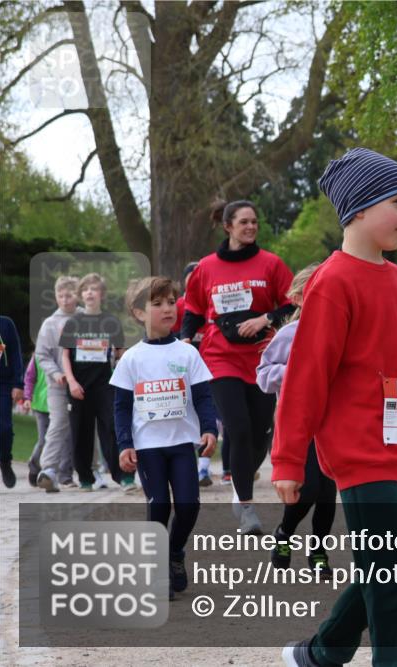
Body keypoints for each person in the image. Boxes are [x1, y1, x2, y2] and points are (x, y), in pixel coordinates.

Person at [271, 147, 397, 667]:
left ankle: (323, 652)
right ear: (358, 208)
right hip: (360, 458)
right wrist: (288, 460)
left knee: (389, 569)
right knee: (394, 579)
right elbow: (305, 378)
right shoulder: (332, 282)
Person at [180, 200, 294, 534]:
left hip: (262, 358)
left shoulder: (271, 264)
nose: (251, 227)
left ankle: (240, 478)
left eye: (254, 222)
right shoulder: (206, 267)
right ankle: (246, 507)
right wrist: (185, 340)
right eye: (244, 222)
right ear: (228, 226)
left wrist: (265, 318)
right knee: (239, 428)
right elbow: (194, 310)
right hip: (221, 356)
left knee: (260, 434)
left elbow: (292, 303)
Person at [112, 276, 217, 599]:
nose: (168, 308)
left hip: (182, 443)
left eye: (171, 302)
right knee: (158, 505)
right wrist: (125, 444)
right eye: (157, 304)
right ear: (138, 313)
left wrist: (209, 428)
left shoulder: (187, 353)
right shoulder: (131, 358)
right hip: (148, 448)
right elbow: (121, 406)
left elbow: (203, 396)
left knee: (188, 506)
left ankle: (174, 551)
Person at [256, 262, 336, 577]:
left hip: (333, 424)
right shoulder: (290, 333)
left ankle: (319, 550)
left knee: (328, 494)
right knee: (309, 489)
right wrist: (296, 372)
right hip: (300, 425)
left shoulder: (340, 330)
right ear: (298, 298)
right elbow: (263, 375)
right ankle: (284, 533)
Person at [58, 273, 134, 492]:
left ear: (102, 294)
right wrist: (71, 382)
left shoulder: (111, 322)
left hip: (105, 385)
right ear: (81, 295)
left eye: (94, 289)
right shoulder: (73, 322)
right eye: (85, 289)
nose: (89, 293)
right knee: (80, 432)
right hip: (78, 386)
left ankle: (124, 476)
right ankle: (85, 478)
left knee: (112, 426)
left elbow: (121, 353)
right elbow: (65, 355)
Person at [173, 260, 221, 487]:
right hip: (182, 373)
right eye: (192, 277)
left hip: (210, 370)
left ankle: (203, 468)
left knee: (209, 417)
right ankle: (185, 467)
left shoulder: (214, 301)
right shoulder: (178, 306)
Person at [35, 276, 81, 492]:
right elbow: (42, 355)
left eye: (69, 295)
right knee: (58, 423)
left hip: (84, 383)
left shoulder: (87, 318)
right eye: (60, 296)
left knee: (84, 427)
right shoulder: (49, 324)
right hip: (58, 385)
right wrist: (55, 373)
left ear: (77, 295)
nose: (64, 300)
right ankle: (49, 470)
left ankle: (87, 471)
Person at [0, 315, 25, 488]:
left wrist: (18, 383)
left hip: (3, 384)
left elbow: (16, 354)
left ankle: (4, 460)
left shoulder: (5, 324)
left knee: (4, 428)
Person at [24, 355, 50, 486]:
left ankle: (51, 471)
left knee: (59, 441)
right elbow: (29, 377)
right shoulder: (37, 357)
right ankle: (34, 466)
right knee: (43, 439)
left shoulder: (64, 354)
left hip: (60, 404)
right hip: (41, 404)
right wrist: (27, 397)